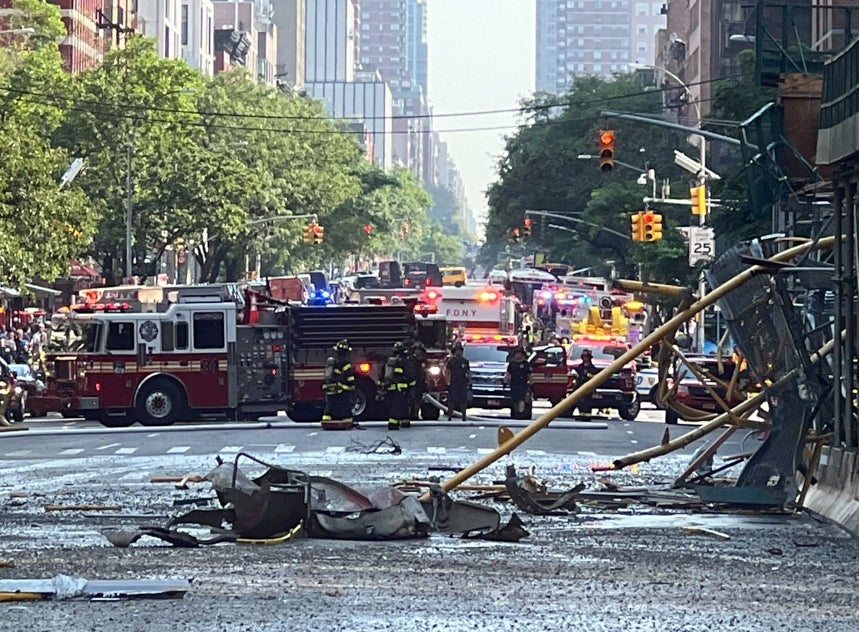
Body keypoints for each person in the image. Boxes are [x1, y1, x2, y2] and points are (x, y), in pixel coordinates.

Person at [321, 339, 356, 430]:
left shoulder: (331, 361)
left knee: (330, 406)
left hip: (329, 388)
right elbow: (349, 376)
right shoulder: (345, 362)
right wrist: (352, 385)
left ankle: (326, 421)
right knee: (345, 405)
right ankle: (347, 421)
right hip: (340, 388)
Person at [383, 341, 415, 430]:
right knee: (398, 405)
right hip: (402, 387)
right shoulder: (405, 362)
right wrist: (412, 387)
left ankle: (405, 421)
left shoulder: (391, 361)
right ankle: (393, 424)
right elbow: (411, 375)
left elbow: (384, 375)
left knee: (401, 404)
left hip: (392, 387)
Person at [444, 342, 471, 421]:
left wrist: (469, 381)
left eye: (460, 350)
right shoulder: (451, 361)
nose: (458, 352)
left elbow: (468, 372)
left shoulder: (465, 361)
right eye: (457, 350)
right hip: (453, 383)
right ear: (454, 351)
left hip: (463, 383)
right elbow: (447, 372)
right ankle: (449, 416)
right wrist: (447, 382)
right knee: (451, 401)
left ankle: (464, 416)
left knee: (463, 401)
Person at [505, 346, 533, 419]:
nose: (517, 355)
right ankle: (516, 411)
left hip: (523, 384)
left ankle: (521, 413)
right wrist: (506, 380)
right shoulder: (512, 364)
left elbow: (529, 374)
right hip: (514, 384)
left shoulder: (526, 364)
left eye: (519, 354)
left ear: (522, 355)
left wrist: (531, 382)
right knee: (515, 399)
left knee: (521, 399)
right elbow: (508, 373)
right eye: (516, 354)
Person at [574, 348, 599, 416]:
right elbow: (577, 377)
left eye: (586, 357)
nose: (585, 358)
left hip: (588, 389)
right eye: (583, 357)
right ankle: (581, 414)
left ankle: (587, 415)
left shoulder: (592, 368)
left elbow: (594, 379)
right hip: (580, 387)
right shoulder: (580, 367)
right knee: (580, 403)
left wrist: (587, 375)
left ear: (589, 358)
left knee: (587, 403)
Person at [408, 341, 428, 421]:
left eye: (419, 350)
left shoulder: (424, 361)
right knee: (410, 399)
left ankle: (416, 414)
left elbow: (426, 372)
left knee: (418, 399)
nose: (418, 351)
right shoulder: (410, 360)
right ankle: (410, 414)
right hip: (411, 382)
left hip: (420, 382)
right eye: (416, 349)